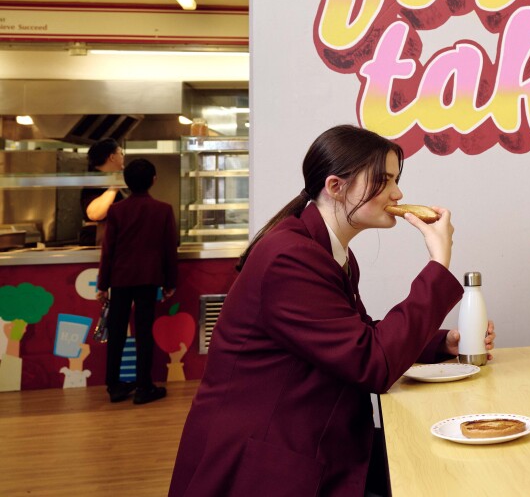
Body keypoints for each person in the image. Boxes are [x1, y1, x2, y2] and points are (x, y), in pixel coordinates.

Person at [168, 125, 496, 497]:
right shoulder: (289, 257)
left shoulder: (325, 250)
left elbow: (352, 334)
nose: (398, 193)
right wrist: (438, 264)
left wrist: (442, 343)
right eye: (384, 180)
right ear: (336, 186)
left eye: (396, 180)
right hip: (264, 457)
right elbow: (372, 364)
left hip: (311, 438)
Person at [96, 157, 178, 405]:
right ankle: (144, 386)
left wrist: (102, 284)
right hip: (149, 278)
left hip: (120, 278)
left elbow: (108, 249)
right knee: (144, 331)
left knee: (117, 331)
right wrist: (170, 281)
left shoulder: (117, 210)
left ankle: (114, 385)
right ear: (153, 180)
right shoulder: (163, 210)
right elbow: (169, 249)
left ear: (126, 182)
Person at [80, 138, 127, 246]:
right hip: (98, 242)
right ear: (112, 157)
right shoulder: (94, 183)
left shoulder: (110, 180)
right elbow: (95, 214)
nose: (123, 157)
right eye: (121, 153)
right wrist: (114, 187)